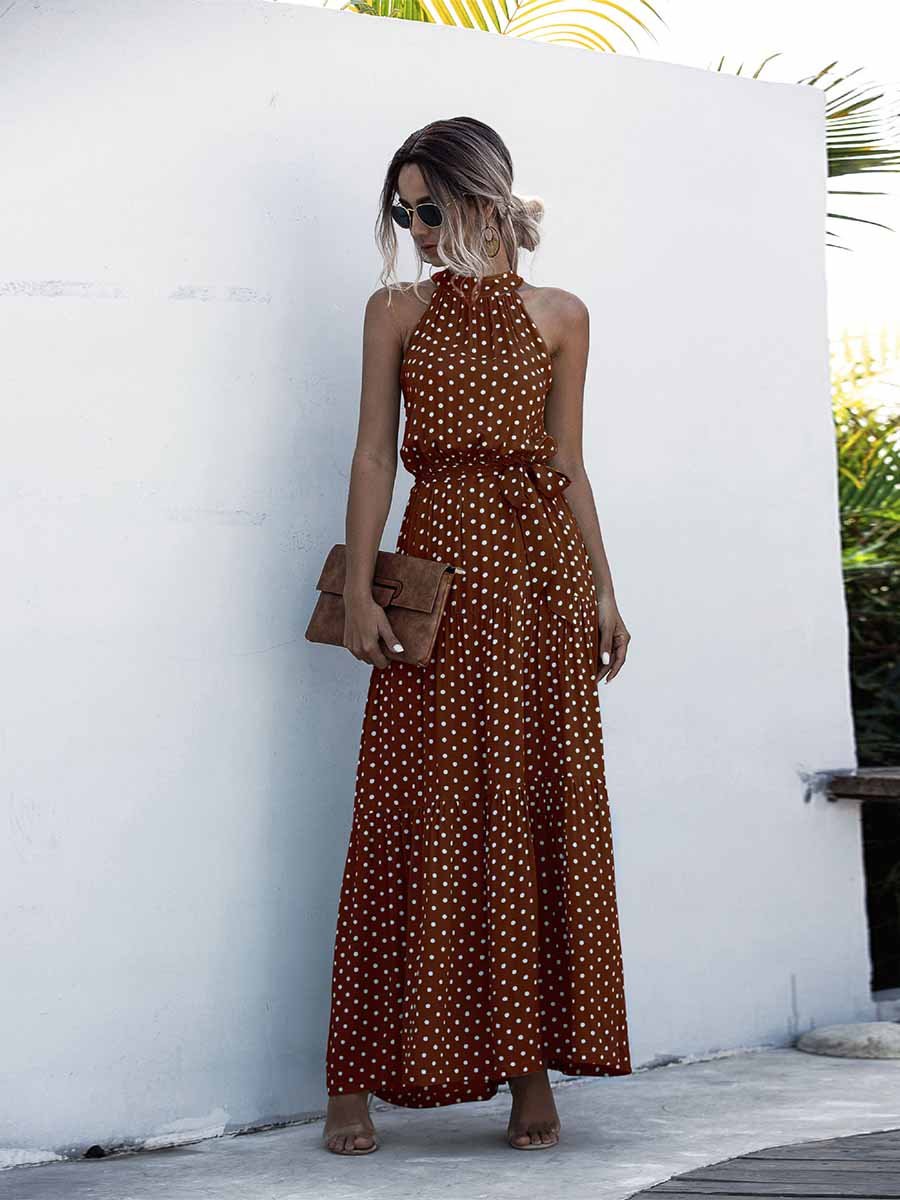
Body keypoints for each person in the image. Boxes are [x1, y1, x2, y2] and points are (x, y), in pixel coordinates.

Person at [322, 116, 633, 1156]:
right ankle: (353, 1080)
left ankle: (527, 1068)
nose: (414, 227)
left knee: (528, 814)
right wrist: (360, 590)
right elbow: (375, 456)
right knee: (408, 804)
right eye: (402, 210)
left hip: (541, 583)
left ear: (485, 202)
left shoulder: (562, 314)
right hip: (442, 578)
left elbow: (568, 463)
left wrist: (604, 592)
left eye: (430, 207)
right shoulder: (395, 311)